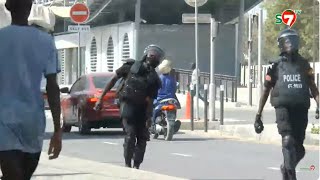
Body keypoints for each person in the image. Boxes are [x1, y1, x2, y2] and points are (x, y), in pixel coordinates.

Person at [0, 0, 62, 179]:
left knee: (14, 175)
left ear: (8, 8)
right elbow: (53, 87)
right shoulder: (46, 41)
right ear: (29, 8)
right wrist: (57, 130)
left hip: (4, 119)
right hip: (33, 122)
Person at [254, 28, 319, 180]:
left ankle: (286, 168)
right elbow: (265, 91)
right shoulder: (275, 67)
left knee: (299, 150)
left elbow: (314, 88)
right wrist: (258, 114)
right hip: (283, 109)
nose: (289, 45)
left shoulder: (304, 65)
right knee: (288, 140)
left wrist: (318, 104)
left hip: (301, 110)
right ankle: (291, 175)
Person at [95, 45, 163, 169]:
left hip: (142, 109)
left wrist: (148, 118)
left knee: (142, 137)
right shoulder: (130, 67)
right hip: (127, 105)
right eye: (152, 54)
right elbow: (113, 80)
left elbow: (150, 100)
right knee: (131, 135)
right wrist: (101, 98)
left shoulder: (154, 78)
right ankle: (127, 164)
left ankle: (136, 165)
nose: (154, 57)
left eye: (156, 56)